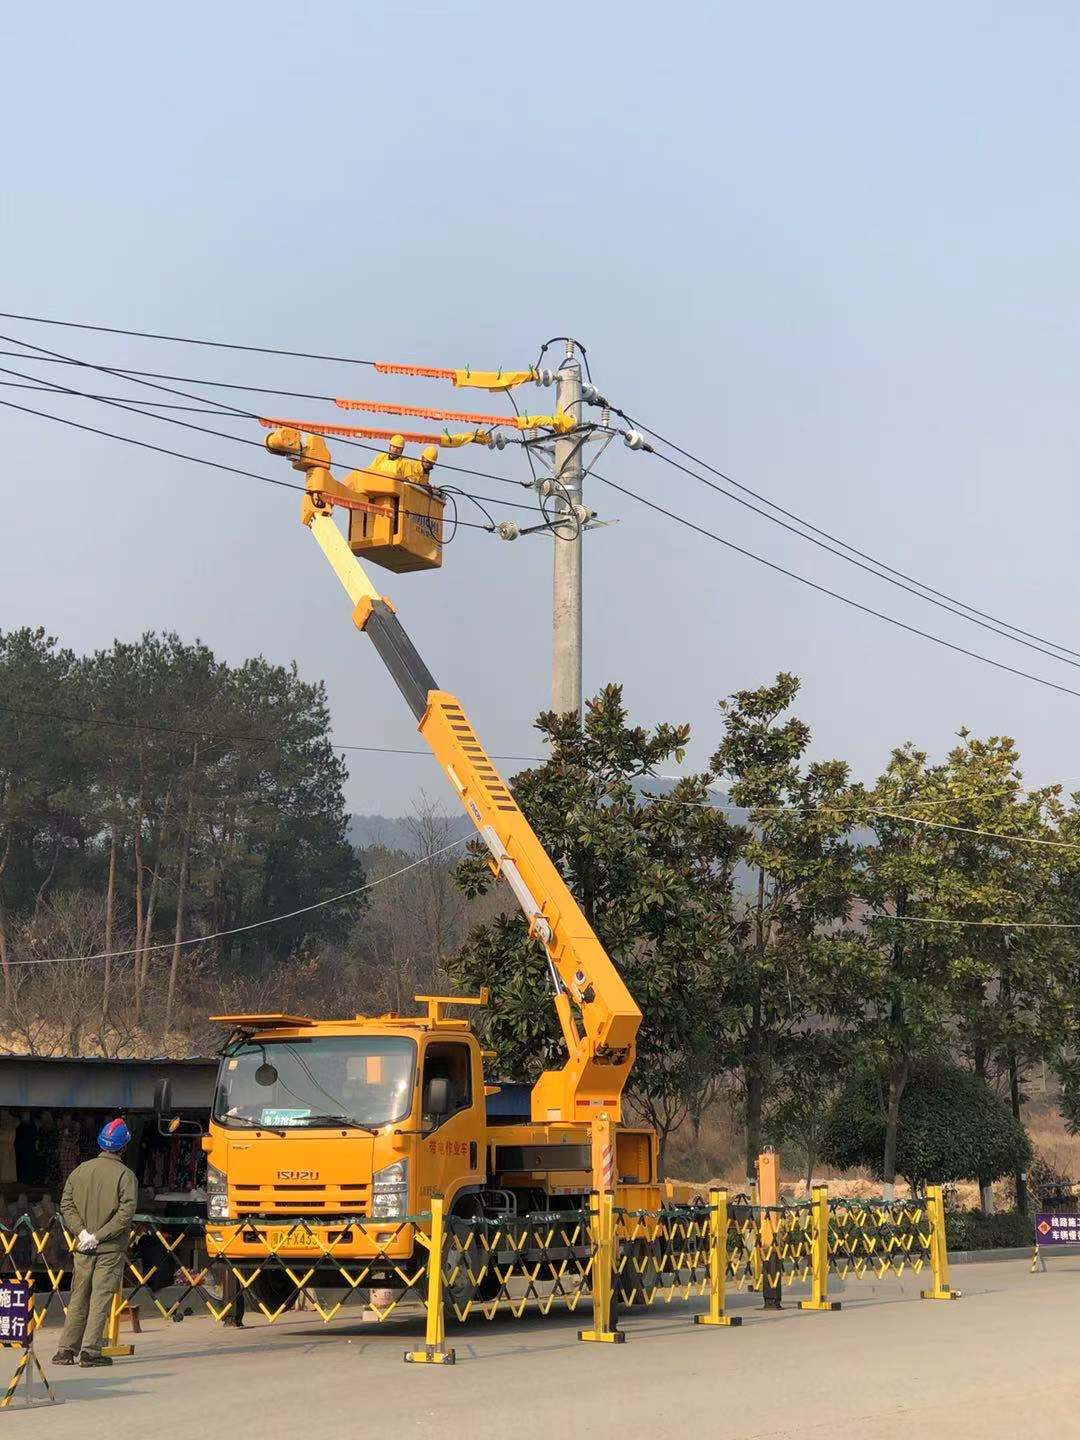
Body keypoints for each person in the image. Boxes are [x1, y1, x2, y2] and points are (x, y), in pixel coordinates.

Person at [53, 1119, 137, 1368]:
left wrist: (82, 1234)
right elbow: (125, 1214)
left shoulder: (80, 1171)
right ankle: (90, 1351)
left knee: (78, 1297)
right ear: (124, 1147)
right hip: (109, 1249)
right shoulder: (126, 1176)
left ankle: (65, 1350)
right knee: (100, 1298)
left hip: (83, 1247)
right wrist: (99, 1236)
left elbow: (66, 1204)